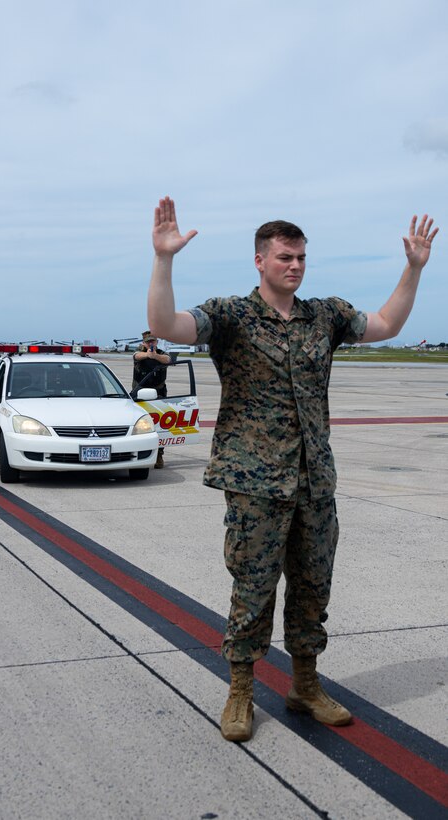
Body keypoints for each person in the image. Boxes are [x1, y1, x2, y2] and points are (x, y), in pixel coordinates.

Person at [147, 196, 438, 742]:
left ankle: (305, 684)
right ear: (260, 260)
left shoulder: (323, 315)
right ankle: (240, 691)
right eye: (285, 257)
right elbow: (165, 324)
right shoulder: (233, 315)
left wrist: (413, 268)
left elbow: (386, 325)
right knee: (253, 588)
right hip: (255, 483)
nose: (296, 265)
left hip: (314, 482)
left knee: (312, 588)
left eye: (301, 257)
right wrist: (164, 259)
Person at [132, 330, 171, 468]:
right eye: (148, 341)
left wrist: (155, 356)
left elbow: (168, 360)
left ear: (157, 342)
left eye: (152, 341)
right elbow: (137, 356)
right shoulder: (139, 353)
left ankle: (159, 455)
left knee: (159, 426)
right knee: (139, 426)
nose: (151, 343)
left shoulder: (161, 353)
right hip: (140, 395)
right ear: (143, 343)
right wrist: (148, 355)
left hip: (158, 394)